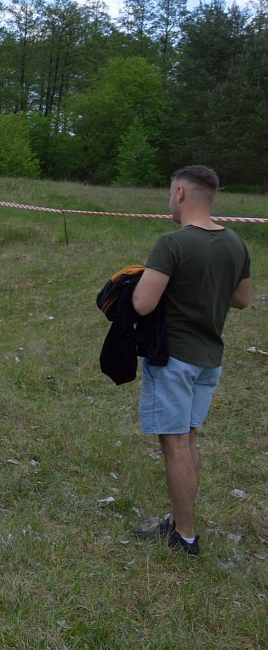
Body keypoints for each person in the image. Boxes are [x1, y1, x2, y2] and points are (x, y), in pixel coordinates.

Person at [131, 165, 251, 556]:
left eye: (170, 193)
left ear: (180, 192)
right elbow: (241, 299)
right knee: (189, 438)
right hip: (209, 358)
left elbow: (142, 304)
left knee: (176, 444)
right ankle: (180, 521)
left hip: (174, 358)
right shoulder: (235, 242)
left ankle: (184, 534)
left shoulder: (172, 243)